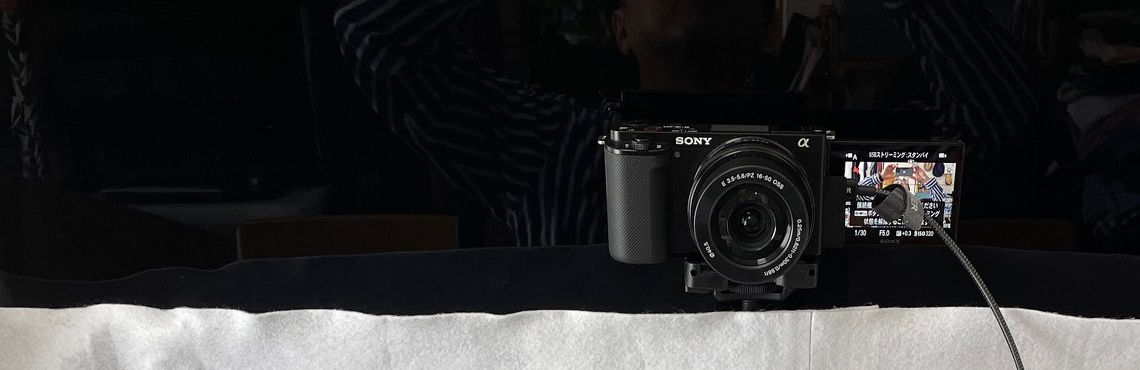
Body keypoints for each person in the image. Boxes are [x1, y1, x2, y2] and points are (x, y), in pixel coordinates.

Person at [334, 0, 1039, 245]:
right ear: (619, 30)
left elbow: (997, 122)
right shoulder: (552, 145)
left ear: (770, 27)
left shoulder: (839, 161)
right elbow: (375, 37)